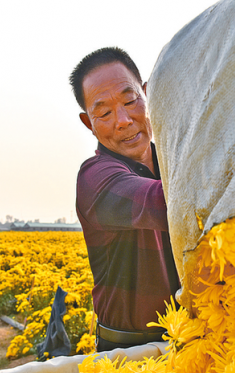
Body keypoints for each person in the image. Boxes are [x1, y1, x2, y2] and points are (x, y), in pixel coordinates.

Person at [70, 47, 180, 352]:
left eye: (130, 101)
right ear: (88, 123)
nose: (123, 120)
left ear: (147, 95)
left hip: (192, 341)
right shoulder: (95, 177)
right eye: (104, 113)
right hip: (127, 356)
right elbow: (165, 202)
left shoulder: (173, 160)